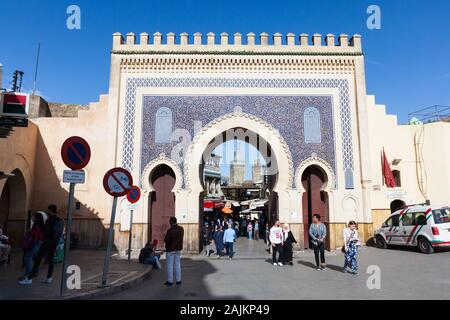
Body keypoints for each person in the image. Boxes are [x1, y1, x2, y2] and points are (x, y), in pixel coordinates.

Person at [19, 205, 64, 285]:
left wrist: (41, 225)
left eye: (48, 210)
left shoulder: (49, 220)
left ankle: (29, 279)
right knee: (51, 260)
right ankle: (49, 277)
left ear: (50, 210)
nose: (47, 212)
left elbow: (45, 232)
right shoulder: (61, 220)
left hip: (47, 242)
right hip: (55, 243)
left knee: (38, 260)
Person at [19, 212, 45, 280]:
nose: (33, 217)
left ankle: (29, 274)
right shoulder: (42, 224)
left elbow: (34, 234)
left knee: (28, 257)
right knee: (36, 258)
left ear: (37, 218)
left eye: (34, 216)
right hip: (40, 242)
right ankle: (34, 272)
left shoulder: (36, 224)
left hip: (35, 242)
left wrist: (29, 231)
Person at [164, 217, 184, 286]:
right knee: (177, 264)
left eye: (170, 222)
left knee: (170, 265)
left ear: (171, 222)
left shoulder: (170, 230)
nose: (169, 223)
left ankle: (170, 281)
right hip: (178, 249)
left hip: (170, 250)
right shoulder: (181, 229)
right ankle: (178, 280)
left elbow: (166, 240)